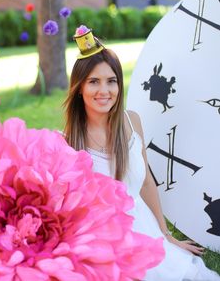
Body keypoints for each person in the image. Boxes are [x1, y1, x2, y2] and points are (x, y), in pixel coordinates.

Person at [63, 25, 220, 281]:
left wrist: (166, 236)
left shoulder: (131, 121)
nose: (105, 91)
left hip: (145, 229)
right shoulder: (69, 142)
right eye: (94, 82)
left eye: (111, 81)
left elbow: (146, 181)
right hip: (105, 238)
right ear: (79, 88)